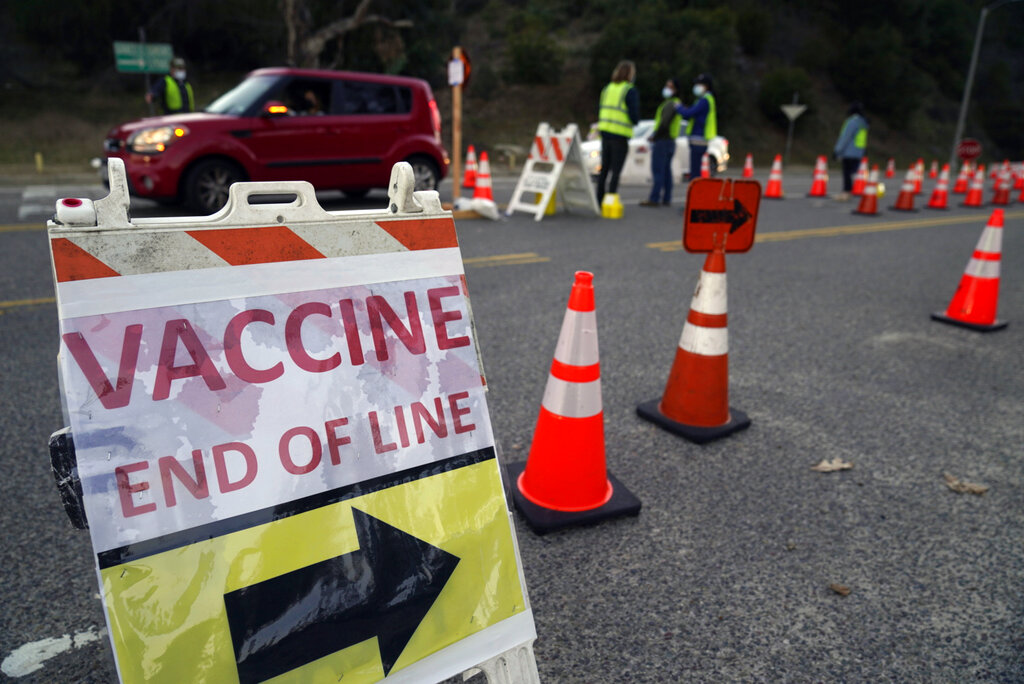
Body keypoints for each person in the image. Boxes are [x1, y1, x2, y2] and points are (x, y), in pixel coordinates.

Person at [596, 60, 639, 206]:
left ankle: (599, 199)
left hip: (605, 133)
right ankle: (610, 199)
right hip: (620, 136)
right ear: (630, 74)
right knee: (616, 171)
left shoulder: (607, 88)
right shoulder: (629, 90)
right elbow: (634, 116)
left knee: (604, 169)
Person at [641, 78, 683, 206]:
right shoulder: (676, 103)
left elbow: (664, 124)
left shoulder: (670, 104)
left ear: (675, 90)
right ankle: (667, 198)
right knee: (666, 170)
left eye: (670, 87)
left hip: (663, 140)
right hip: (670, 141)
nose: (666, 89)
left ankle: (654, 198)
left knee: (658, 170)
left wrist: (655, 136)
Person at [674, 73, 717, 184]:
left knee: (695, 173)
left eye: (699, 84)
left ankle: (695, 195)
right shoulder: (703, 99)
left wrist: (678, 107)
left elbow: (689, 113)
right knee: (696, 170)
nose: (696, 86)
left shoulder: (704, 100)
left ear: (706, 86)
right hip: (698, 138)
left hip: (699, 138)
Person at [833, 102, 869, 201]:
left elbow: (845, 137)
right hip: (859, 152)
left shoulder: (852, 122)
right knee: (852, 173)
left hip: (849, 152)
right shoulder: (863, 123)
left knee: (847, 174)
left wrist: (837, 150)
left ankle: (846, 193)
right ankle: (849, 192)